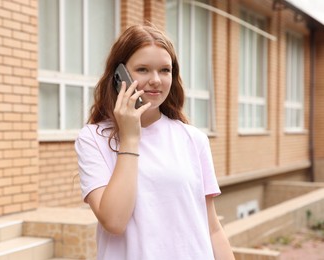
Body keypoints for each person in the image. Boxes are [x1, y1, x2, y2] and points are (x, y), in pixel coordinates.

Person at [75, 24, 235, 260]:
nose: (156, 80)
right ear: (120, 75)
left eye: (164, 70)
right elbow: (114, 221)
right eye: (142, 69)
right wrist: (130, 138)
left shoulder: (194, 139)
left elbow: (212, 228)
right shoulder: (93, 139)